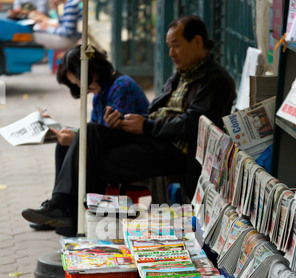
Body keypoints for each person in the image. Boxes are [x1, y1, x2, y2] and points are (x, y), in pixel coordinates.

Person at [22, 15, 236, 236]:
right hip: (151, 136)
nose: (171, 53)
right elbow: (153, 111)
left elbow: (193, 124)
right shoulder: (180, 76)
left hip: (172, 150)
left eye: (177, 45)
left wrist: (147, 126)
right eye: (169, 46)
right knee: (90, 133)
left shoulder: (216, 80)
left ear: (197, 42)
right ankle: (60, 206)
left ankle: (70, 220)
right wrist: (123, 122)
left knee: (89, 159)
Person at [29, 44, 149, 232]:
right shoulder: (99, 95)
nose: (80, 86)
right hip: (111, 145)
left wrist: (78, 136)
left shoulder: (122, 86)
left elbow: (106, 133)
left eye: (79, 80)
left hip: (134, 148)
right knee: (64, 145)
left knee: (87, 134)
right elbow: (99, 133)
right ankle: (61, 210)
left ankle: (62, 206)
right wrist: (60, 129)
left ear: (91, 70)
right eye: (76, 84)